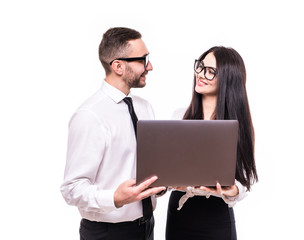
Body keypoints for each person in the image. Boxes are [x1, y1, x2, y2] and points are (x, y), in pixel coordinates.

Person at [60, 27, 166, 240]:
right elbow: (71, 189)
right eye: (143, 60)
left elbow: (147, 164)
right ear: (118, 66)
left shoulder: (145, 107)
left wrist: (162, 183)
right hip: (108, 234)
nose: (150, 67)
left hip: (146, 227)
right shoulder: (90, 115)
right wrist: (115, 198)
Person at [165, 46, 258, 240]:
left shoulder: (238, 124)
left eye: (210, 71)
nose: (200, 74)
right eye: (200, 66)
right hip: (179, 213)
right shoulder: (179, 117)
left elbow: (245, 175)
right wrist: (169, 181)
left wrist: (234, 190)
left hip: (217, 215)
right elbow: (167, 169)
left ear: (228, 78)